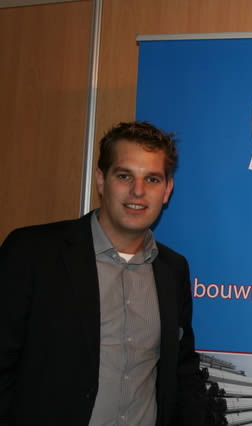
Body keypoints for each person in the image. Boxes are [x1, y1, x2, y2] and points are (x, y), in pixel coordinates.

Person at [0, 121, 207, 425]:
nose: (138, 191)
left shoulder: (173, 270)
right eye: (124, 176)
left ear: (167, 190)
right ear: (101, 180)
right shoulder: (32, 253)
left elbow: (181, 371)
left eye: (152, 179)